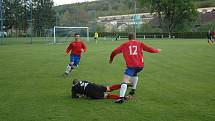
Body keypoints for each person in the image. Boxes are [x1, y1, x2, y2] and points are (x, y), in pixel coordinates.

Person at [109, 33, 161, 103]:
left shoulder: (125, 45)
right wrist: (156, 50)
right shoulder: (139, 43)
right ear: (135, 37)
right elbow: (149, 49)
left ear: (128, 38)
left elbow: (114, 52)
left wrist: (111, 59)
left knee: (125, 80)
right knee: (135, 74)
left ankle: (121, 98)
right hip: (140, 66)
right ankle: (132, 91)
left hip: (131, 66)